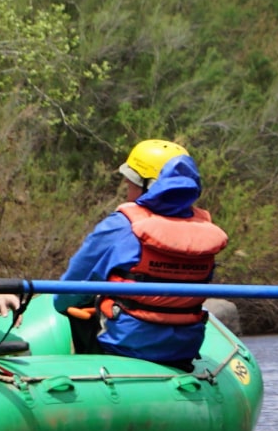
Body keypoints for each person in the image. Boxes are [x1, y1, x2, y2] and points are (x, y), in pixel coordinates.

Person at [57, 152, 229, 368]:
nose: (127, 191)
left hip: (122, 348)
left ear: (148, 187)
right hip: (183, 350)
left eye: (130, 184)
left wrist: (64, 305)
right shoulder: (204, 230)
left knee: (71, 311)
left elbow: (67, 292)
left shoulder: (121, 225)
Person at [116, 138, 189, 204]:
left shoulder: (124, 218)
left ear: (150, 187)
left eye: (133, 177)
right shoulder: (197, 217)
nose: (127, 181)